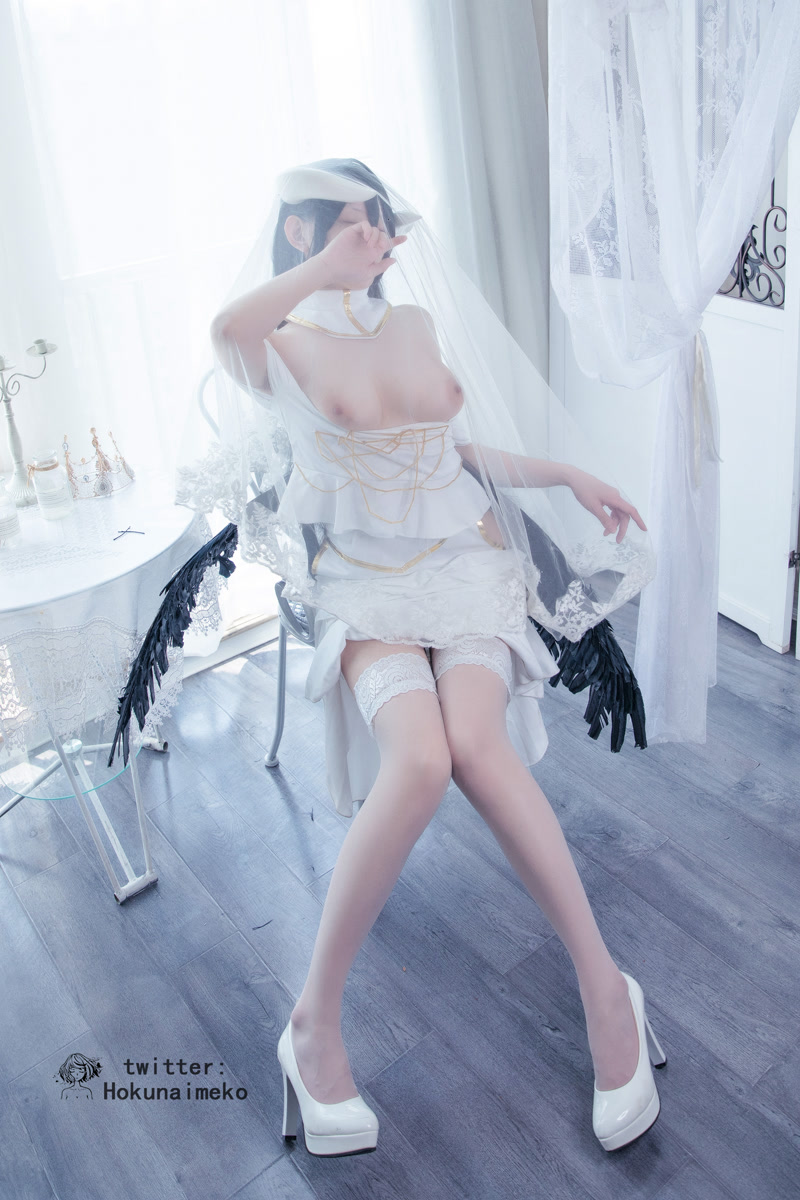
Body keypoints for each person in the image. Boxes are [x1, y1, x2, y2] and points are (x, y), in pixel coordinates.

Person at [184, 158, 666, 1157]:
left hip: (465, 564)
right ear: (301, 233)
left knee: (477, 747)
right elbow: (225, 328)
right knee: (417, 761)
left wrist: (566, 474)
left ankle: (604, 989)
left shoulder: (411, 322)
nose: (375, 239)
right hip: (366, 585)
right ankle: (311, 1026)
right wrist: (323, 269)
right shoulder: (279, 340)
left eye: (380, 221)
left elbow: (453, 453)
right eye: (349, 224)